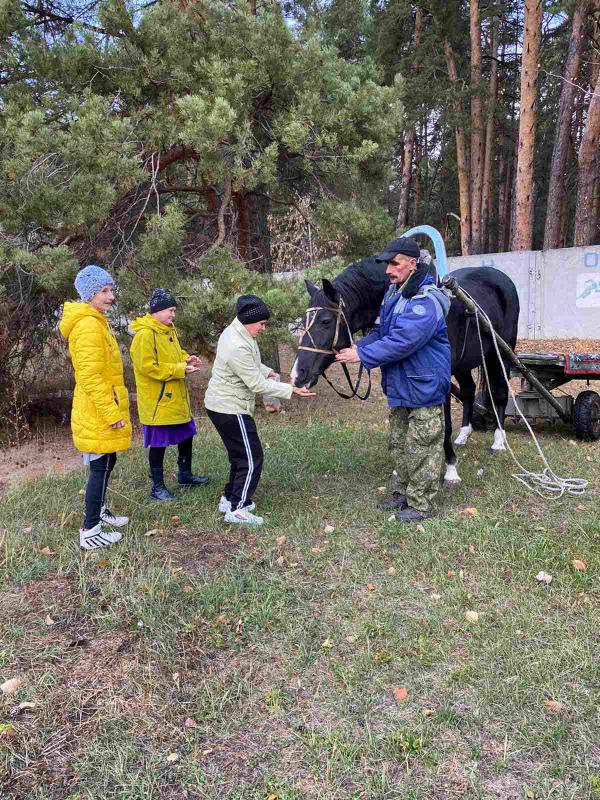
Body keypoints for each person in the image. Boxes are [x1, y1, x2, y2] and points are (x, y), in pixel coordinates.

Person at [336, 237, 451, 523]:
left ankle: (421, 504)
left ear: (413, 264)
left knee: (422, 445)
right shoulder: (393, 295)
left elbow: (402, 341)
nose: (388, 270)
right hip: (401, 385)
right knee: (399, 443)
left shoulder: (426, 300)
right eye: (387, 264)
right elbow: (381, 333)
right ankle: (403, 493)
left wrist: (362, 356)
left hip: (423, 385)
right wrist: (359, 346)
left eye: (394, 263)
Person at [205, 294, 315, 525]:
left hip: (222, 405)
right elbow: (254, 383)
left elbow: (252, 365)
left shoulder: (239, 332)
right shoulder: (237, 343)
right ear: (248, 320)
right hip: (228, 407)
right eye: (262, 323)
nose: (264, 328)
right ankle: (238, 508)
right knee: (252, 458)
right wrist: (290, 390)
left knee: (239, 456)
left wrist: (269, 372)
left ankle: (229, 498)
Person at [59, 265, 132, 549]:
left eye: (111, 289)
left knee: (108, 460)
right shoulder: (88, 325)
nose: (110, 296)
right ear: (89, 294)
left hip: (103, 404)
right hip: (97, 409)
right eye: (104, 291)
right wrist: (111, 413)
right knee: (99, 466)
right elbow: (90, 376)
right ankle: (90, 531)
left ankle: (100, 512)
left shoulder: (98, 320)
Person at [130, 288, 209, 501]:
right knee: (158, 443)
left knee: (186, 433)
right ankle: (157, 488)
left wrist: (186, 359)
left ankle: (185, 474)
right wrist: (178, 369)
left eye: (174, 310)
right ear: (156, 311)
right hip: (157, 401)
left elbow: (174, 354)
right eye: (169, 310)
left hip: (175, 398)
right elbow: (148, 367)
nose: (173, 315)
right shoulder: (145, 335)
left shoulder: (168, 330)